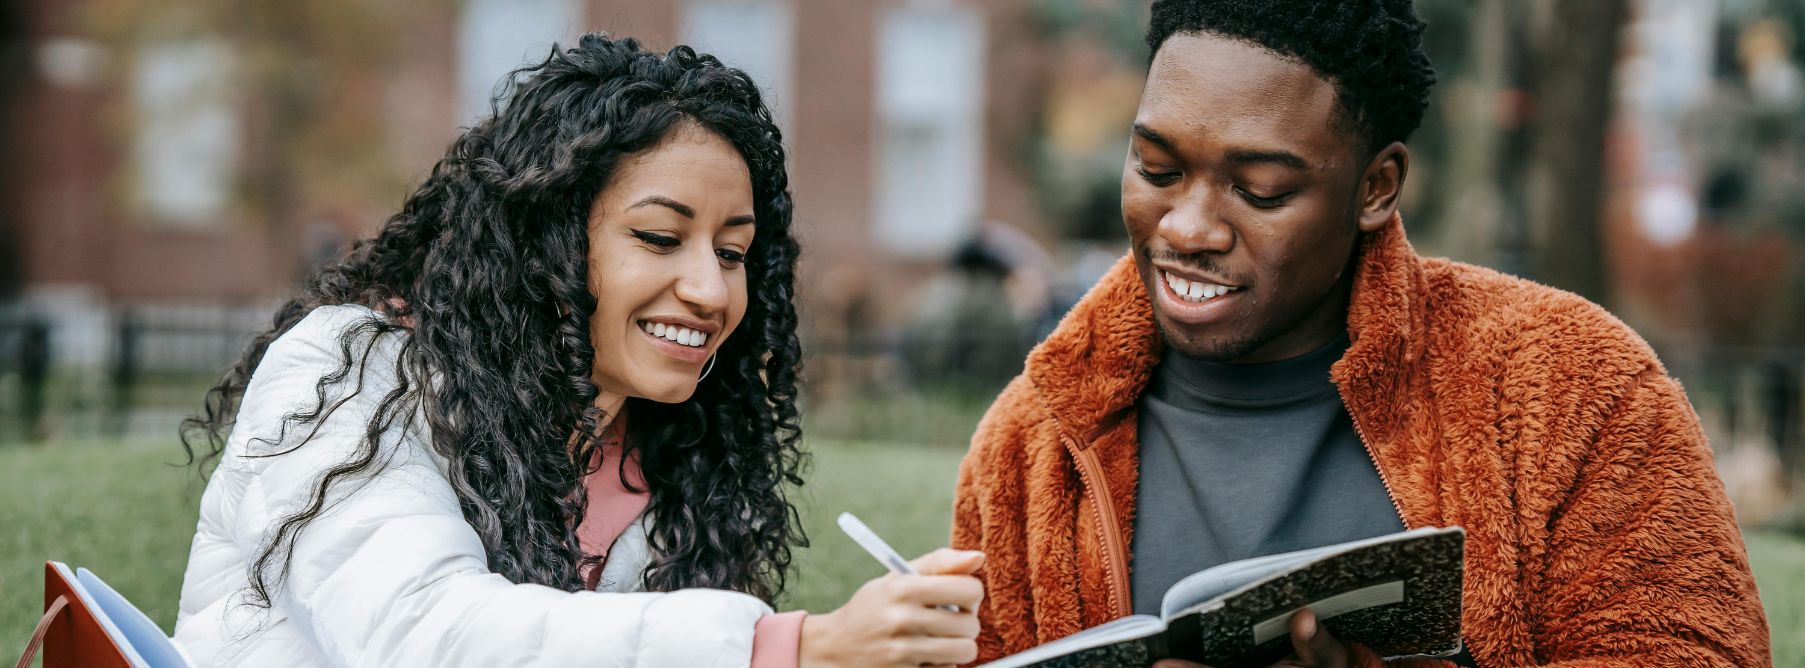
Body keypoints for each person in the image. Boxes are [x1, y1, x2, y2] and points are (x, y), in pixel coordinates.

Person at [950, 1, 1771, 666]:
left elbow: (1696, 652)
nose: (1187, 226)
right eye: (1156, 170)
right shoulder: (1032, 442)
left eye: (1261, 190)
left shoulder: (1569, 383)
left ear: (1375, 187)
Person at [173, 35, 983, 667]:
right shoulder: (351, 371)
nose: (709, 289)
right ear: (545, 243)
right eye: (660, 237)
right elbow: (423, 638)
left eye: (732, 253)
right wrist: (785, 648)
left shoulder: (670, 460)